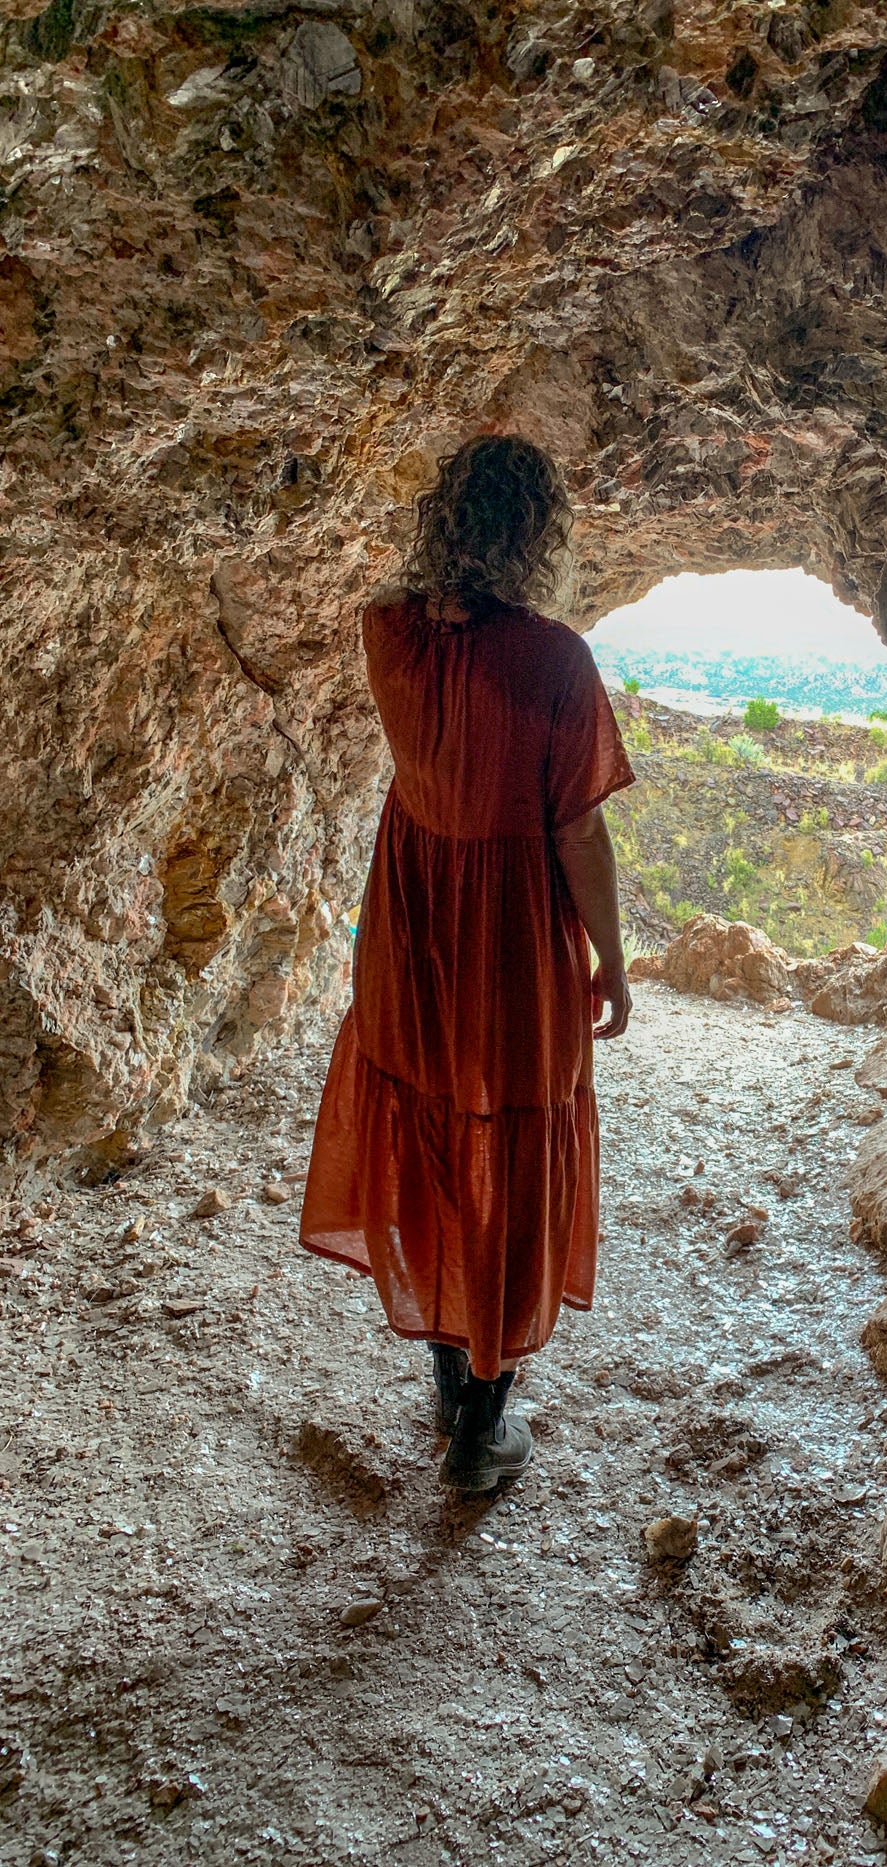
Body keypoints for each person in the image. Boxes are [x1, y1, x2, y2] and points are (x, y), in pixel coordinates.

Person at [299, 435, 635, 1491]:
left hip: (408, 920)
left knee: (436, 1129)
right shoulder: (553, 660)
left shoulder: (386, 631)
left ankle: (450, 1380)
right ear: (535, 534)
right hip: (507, 933)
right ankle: (482, 1427)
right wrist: (613, 958)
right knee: (514, 1133)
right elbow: (577, 834)